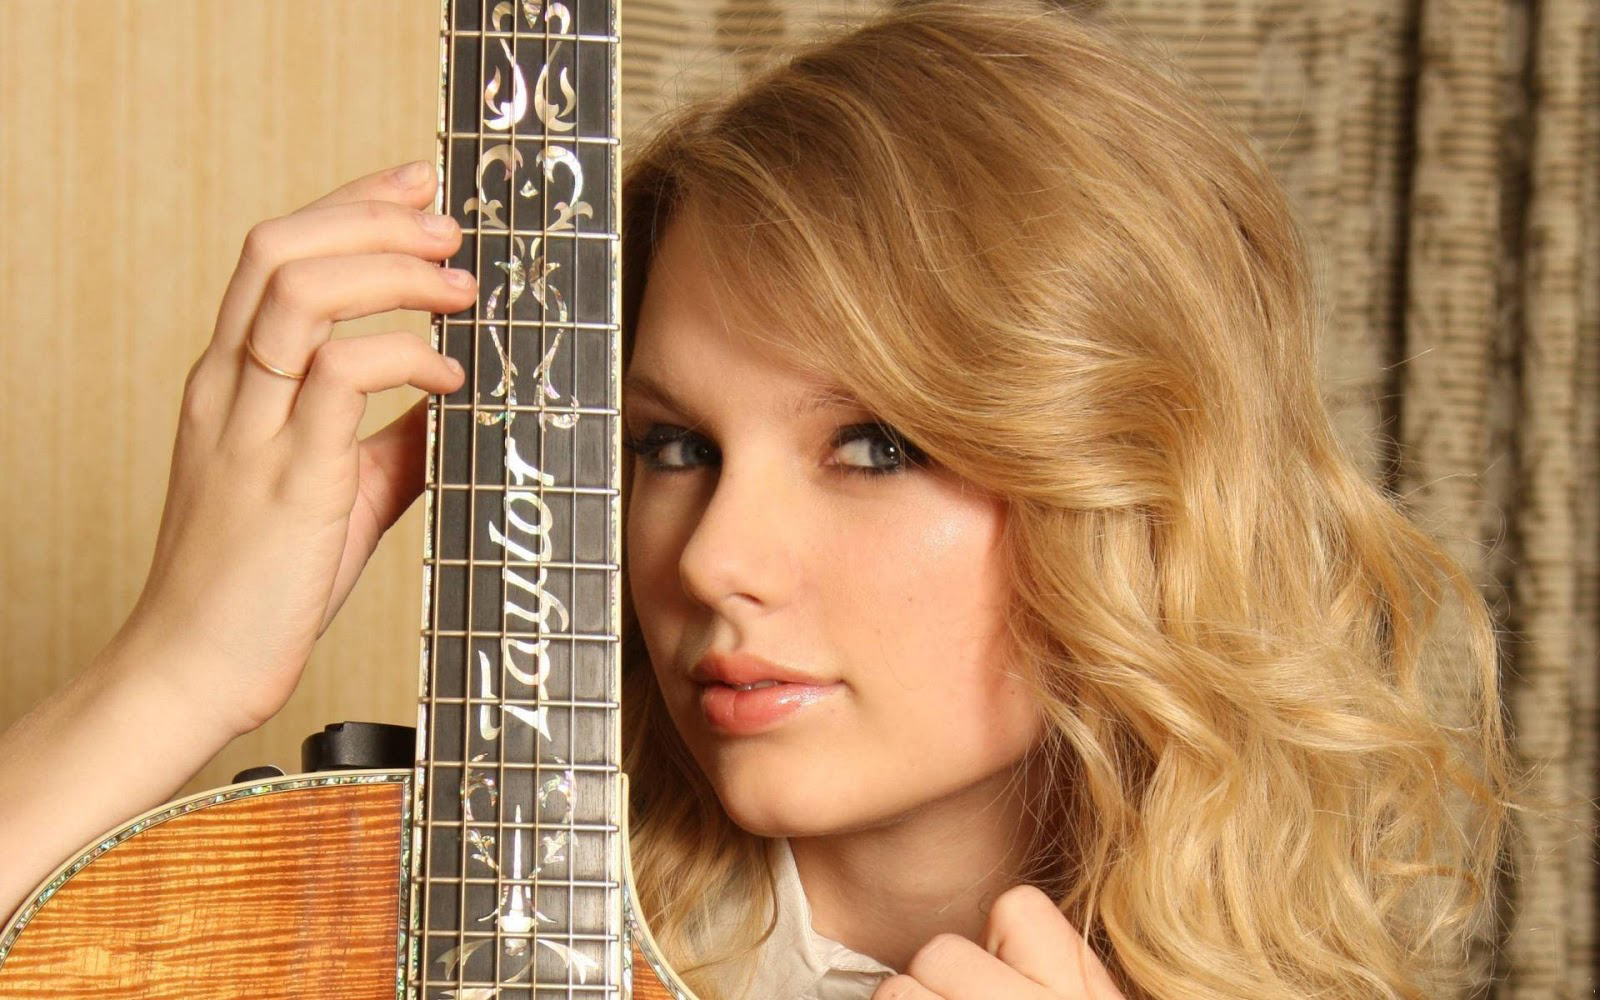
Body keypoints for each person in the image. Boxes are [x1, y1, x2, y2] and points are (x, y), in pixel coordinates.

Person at [0, 2, 1513, 999]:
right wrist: (177, 671)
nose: (714, 556)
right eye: (673, 446)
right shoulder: (376, 928)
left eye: (876, 446)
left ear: (1138, 490)